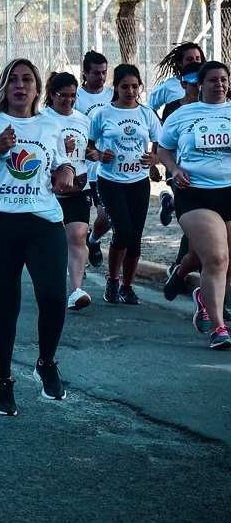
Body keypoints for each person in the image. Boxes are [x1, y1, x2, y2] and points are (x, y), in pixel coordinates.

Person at [0, 59, 78, 413]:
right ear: (3, 87)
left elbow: (62, 163)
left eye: (27, 79)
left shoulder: (50, 125)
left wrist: (67, 172)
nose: (19, 85)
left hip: (42, 223)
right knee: (6, 306)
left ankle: (46, 361)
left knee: (53, 296)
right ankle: (2, 380)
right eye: (12, 79)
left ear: (37, 88)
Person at [157, 60, 231, 349]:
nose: (220, 84)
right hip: (195, 193)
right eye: (213, 80)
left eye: (224, 79)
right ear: (200, 84)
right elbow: (163, 149)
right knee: (216, 258)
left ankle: (190, 282)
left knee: (226, 262)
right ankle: (218, 328)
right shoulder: (183, 114)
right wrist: (175, 170)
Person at [86, 64, 160, 305]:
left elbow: (159, 146)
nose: (130, 91)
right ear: (115, 88)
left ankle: (127, 287)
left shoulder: (147, 114)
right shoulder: (103, 114)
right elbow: (88, 147)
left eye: (135, 86)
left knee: (135, 237)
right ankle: (113, 280)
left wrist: (153, 159)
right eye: (125, 86)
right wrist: (98, 154)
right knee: (123, 231)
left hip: (138, 182)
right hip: (110, 181)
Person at [40, 72, 95, 311]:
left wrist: (93, 154)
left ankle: (76, 290)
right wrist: (62, 148)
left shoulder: (83, 119)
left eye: (73, 96)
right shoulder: (42, 118)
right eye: (63, 96)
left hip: (78, 184)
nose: (68, 101)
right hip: (48, 186)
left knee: (78, 235)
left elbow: (88, 149)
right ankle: (49, 284)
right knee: (49, 241)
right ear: (52, 95)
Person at [152, 43, 206, 225]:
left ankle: (171, 204)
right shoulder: (171, 94)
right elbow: (150, 107)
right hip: (176, 157)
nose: (194, 61)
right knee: (190, 204)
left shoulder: (211, 88)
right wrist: (158, 127)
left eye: (198, 59)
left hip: (202, 159)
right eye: (189, 59)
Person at [75, 51, 113, 267]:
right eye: (96, 73)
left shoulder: (112, 95)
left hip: (103, 169)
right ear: (85, 73)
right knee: (75, 225)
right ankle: (76, 267)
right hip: (79, 168)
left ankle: (94, 240)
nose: (101, 77)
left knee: (106, 217)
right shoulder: (76, 97)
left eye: (104, 72)